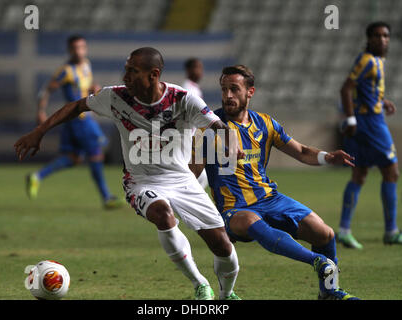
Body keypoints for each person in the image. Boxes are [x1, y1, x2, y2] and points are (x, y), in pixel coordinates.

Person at [14, 47, 241, 300]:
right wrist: (39, 131)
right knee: (162, 215)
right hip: (140, 182)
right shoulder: (115, 97)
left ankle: (226, 294)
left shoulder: (183, 99)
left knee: (222, 244)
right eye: (126, 69)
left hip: (182, 180)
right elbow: (77, 106)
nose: (125, 77)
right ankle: (200, 284)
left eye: (133, 71)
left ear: (153, 74)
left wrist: (230, 141)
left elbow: (217, 125)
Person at [190, 65, 359, 300]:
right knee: (252, 220)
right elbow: (192, 173)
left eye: (234, 89)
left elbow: (300, 150)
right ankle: (316, 261)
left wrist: (327, 157)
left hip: (270, 198)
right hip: (234, 209)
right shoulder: (211, 128)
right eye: (224, 89)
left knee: (325, 234)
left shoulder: (265, 123)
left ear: (250, 92)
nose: (227, 95)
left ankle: (329, 292)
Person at [26, 35, 123, 209]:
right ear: (69, 50)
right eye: (75, 48)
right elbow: (45, 90)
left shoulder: (86, 64)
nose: (79, 51)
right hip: (80, 120)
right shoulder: (66, 71)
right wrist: (40, 111)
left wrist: (94, 89)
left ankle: (37, 177)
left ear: (85, 48)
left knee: (73, 158)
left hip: (77, 120)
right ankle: (107, 197)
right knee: (96, 154)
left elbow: (88, 85)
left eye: (81, 47)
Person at [338, 21, 402, 248]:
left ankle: (344, 230)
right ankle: (391, 231)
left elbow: (361, 89)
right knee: (392, 172)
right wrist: (350, 119)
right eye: (377, 36)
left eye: (386, 35)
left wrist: (381, 101)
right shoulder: (367, 60)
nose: (382, 40)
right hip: (370, 124)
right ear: (369, 39)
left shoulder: (377, 61)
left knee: (359, 175)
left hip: (367, 119)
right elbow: (346, 88)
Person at [182, 57, 209, 189]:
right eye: (198, 68)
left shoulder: (194, 88)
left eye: (201, 68)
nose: (200, 71)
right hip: (188, 140)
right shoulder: (189, 90)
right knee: (199, 178)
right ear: (189, 70)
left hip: (192, 139)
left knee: (200, 177)